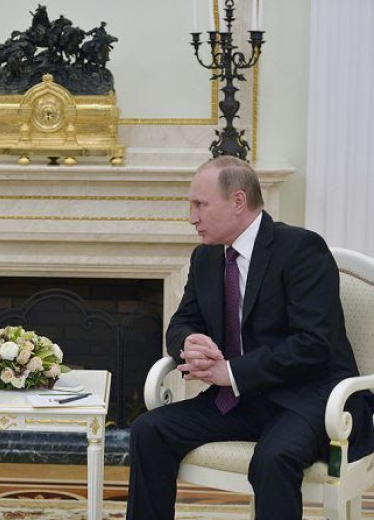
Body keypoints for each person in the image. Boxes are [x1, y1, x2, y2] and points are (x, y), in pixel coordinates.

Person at [126, 156, 374, 519]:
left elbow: (313, 344)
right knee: (149, 430)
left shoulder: (301, 249)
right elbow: (182, 322)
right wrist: (189, 342)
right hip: (241, 401)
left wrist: (230, 372)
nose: (192, 217)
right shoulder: (206, 258)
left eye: (200, 205)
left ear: (238, 201)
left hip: (309, 399)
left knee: (272, 459)